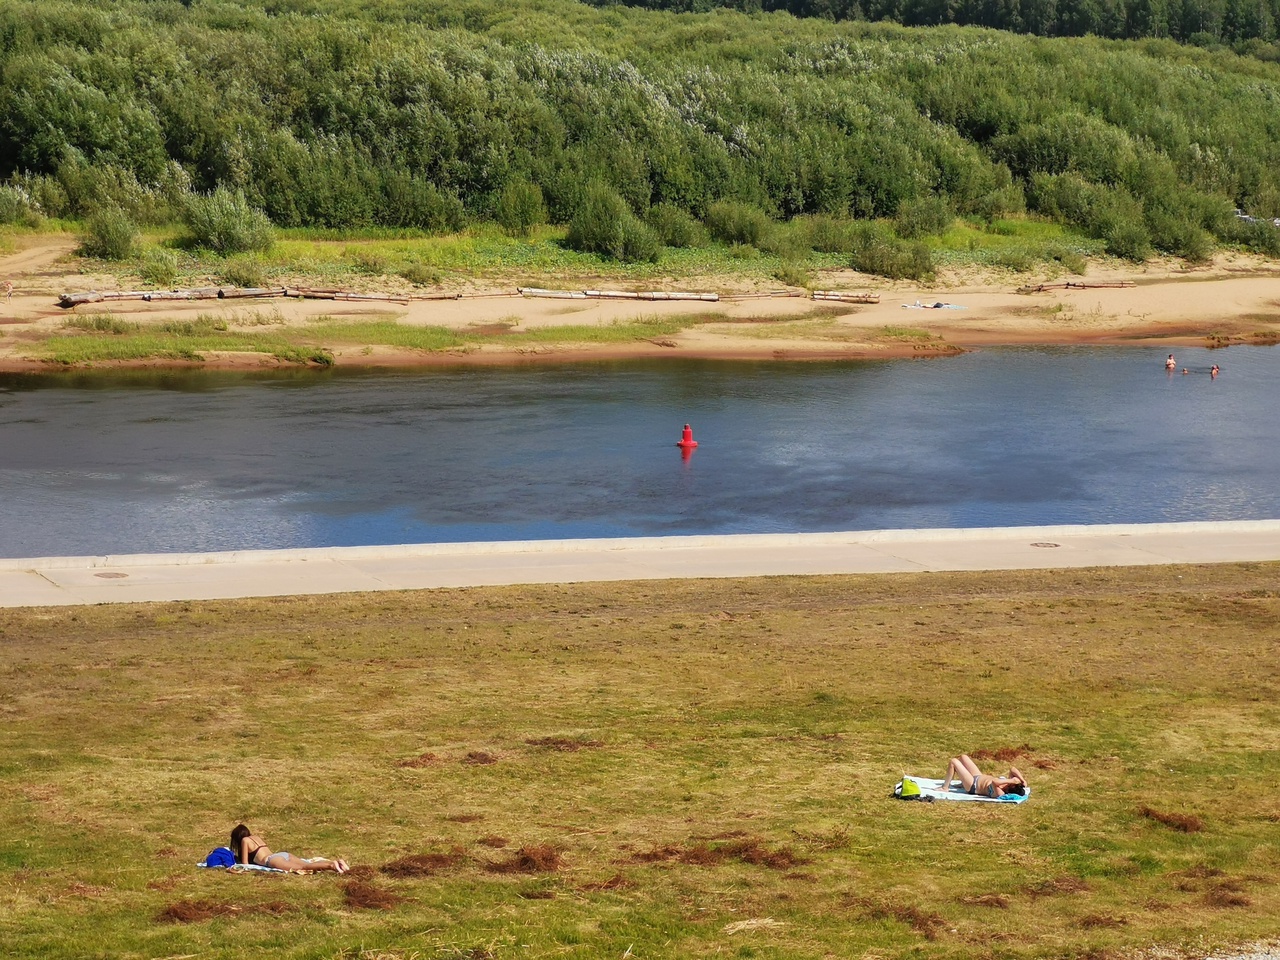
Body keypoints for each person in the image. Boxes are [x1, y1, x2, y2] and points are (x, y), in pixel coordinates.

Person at [230, 823, 349, 873]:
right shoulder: (255, 837)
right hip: (282, 854)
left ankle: (331, 866)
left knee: (303, 867)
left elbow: (245, 864)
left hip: (271, 860)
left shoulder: (245, 841)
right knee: (304, 863)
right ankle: (339, 863)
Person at [940, 754, 1027, 798]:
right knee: (963, 757)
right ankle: (962, 783)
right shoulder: (1008, 784)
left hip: (972, 785)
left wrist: (1011, 781)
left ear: (1011, 787)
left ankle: (945, 787)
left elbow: (995, 782)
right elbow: (1012, 769)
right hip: (978, 776)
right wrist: (1022, 780)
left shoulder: (1000, 793)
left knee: (954, 762)